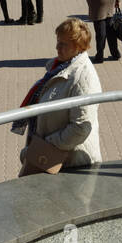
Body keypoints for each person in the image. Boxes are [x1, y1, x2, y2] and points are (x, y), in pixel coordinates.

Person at [14, 18, 102, 172]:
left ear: (78, 46)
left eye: (63, 44)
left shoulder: (83, 78)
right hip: (55, 159)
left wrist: (46, 145)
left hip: (71, 165)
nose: (57, 47)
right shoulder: (60, 67)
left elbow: (80, 127)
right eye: (58, 41)